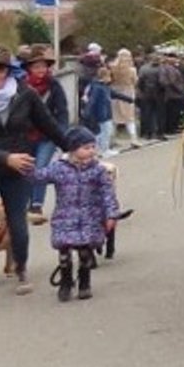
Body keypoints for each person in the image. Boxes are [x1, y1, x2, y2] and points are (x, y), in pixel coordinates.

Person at [0, 45, 68, 314]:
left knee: (18, 223)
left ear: (2, 71)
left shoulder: (24, 95)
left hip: (17, 172)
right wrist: (5, 157)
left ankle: (21, 268)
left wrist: (74, 148)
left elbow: (48, 125)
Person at [31, 126, 120, 301]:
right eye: (86, 147)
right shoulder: (59, 168)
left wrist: (112, 214)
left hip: (90, 218)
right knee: (64, 252)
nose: (91, 151)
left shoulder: (98, 170)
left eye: (93, 147)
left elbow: (108, 193)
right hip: (65, 217)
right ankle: (65, 282)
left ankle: (84, 282)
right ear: (73, 148)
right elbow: (38, 176)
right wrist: (25, 168)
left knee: (85, 251)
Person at [19, 45, 71, 225]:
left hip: (48, 135)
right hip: (25, 135)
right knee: (26, 168)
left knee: (40, 168)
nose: (41, 70)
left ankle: (36, 205)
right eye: (36, 67)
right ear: (29, 69)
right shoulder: (21, 86)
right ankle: (23, 203)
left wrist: (61, 133)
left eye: (43, 66)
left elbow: (62, 111)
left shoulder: (54, 85)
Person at [109, 48, 139, 147]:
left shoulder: (112, 67)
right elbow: (135, 81)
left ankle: (111, 140)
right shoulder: (132, 70)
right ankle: (133, 139)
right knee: (129, 118)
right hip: (128, 93)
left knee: (114, 117)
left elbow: (110, 80)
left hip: (114, 93)